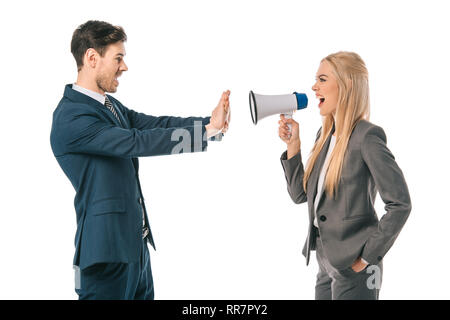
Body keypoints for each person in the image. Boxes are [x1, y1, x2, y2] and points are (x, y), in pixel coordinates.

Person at [50, 20, 230, 300]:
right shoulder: (71, 117)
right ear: (92, 58)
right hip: (105, 254)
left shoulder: (108, 106)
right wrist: (205, 133)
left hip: (135, 247)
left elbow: (152, 125)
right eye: (118, 58)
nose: (124, 66)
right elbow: (136, 141)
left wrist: (210, 125)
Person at [279, 51, 411, 300]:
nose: (314, 87)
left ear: (347, 84)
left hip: (355, 267)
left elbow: (400, 204)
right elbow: (300, 195)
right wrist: (293, 146)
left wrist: (366, 257)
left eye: (322, 79)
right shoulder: (325, 136)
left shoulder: (367, 137)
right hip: (326, 262)